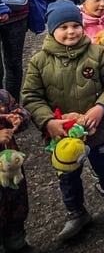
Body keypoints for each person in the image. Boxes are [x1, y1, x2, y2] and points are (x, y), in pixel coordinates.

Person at [21, 0, 104, 241]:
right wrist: (48, 122)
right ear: (52, 30)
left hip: (98, 129)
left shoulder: (97, 52)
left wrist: (101, 108)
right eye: (63, 27)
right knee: (67, 176)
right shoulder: (39, 61)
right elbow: (31, 97)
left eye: (75, 26)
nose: (71, 31)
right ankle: (75, 212)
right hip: (62, 134)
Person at [0, 88, 33, 252]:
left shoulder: (2, 96)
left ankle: (17, 242)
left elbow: (24, 113)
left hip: (12, 169)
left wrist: (19, 117)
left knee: (17, 202)